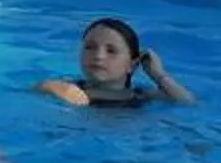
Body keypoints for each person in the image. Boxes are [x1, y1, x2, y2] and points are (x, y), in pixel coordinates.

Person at [36, 17, 195, 108]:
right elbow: (41, 88)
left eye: (111, 51)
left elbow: (187, 102)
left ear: (131, 65)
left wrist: (159, 75)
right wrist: (54, 88)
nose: (98, 56)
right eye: (90, 47)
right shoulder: (71, 89)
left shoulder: (142, 95)